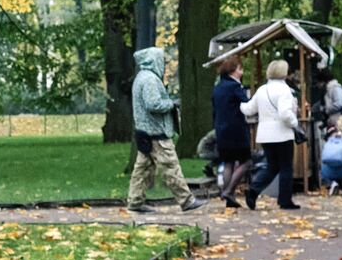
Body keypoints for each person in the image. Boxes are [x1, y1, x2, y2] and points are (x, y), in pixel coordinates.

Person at [125, 46, 206, 214]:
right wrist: (172, 103)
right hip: (156, 132)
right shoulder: (150, 80)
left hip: (145, 131)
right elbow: (153, 104)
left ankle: (135, 201)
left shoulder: (141, 77)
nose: (164, 64)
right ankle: (186, 200)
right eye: (162, 61)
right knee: (171, 166)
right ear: (154, 61)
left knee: (142, 169)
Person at [240, 59, 302, 210]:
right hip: (282, 134)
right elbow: (285, 114)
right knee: (286, 167)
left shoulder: (262, 90)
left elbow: (248, 109)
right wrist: (295, 124)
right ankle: (285, 200)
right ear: (284, 73)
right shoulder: (285, 90)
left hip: (265, 135)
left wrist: (236, 102)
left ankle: (254, 190)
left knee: (272, 166)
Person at [211, 56, 251, 209]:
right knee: (246, 161)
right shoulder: (235, 87)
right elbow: (246, 104)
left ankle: (230, 198)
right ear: (233, 71)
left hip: (221, 129)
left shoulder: (218, 87)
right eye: (240, 69)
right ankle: (228, 191)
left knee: (228, 162)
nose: (242, 72)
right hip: (236, 129)